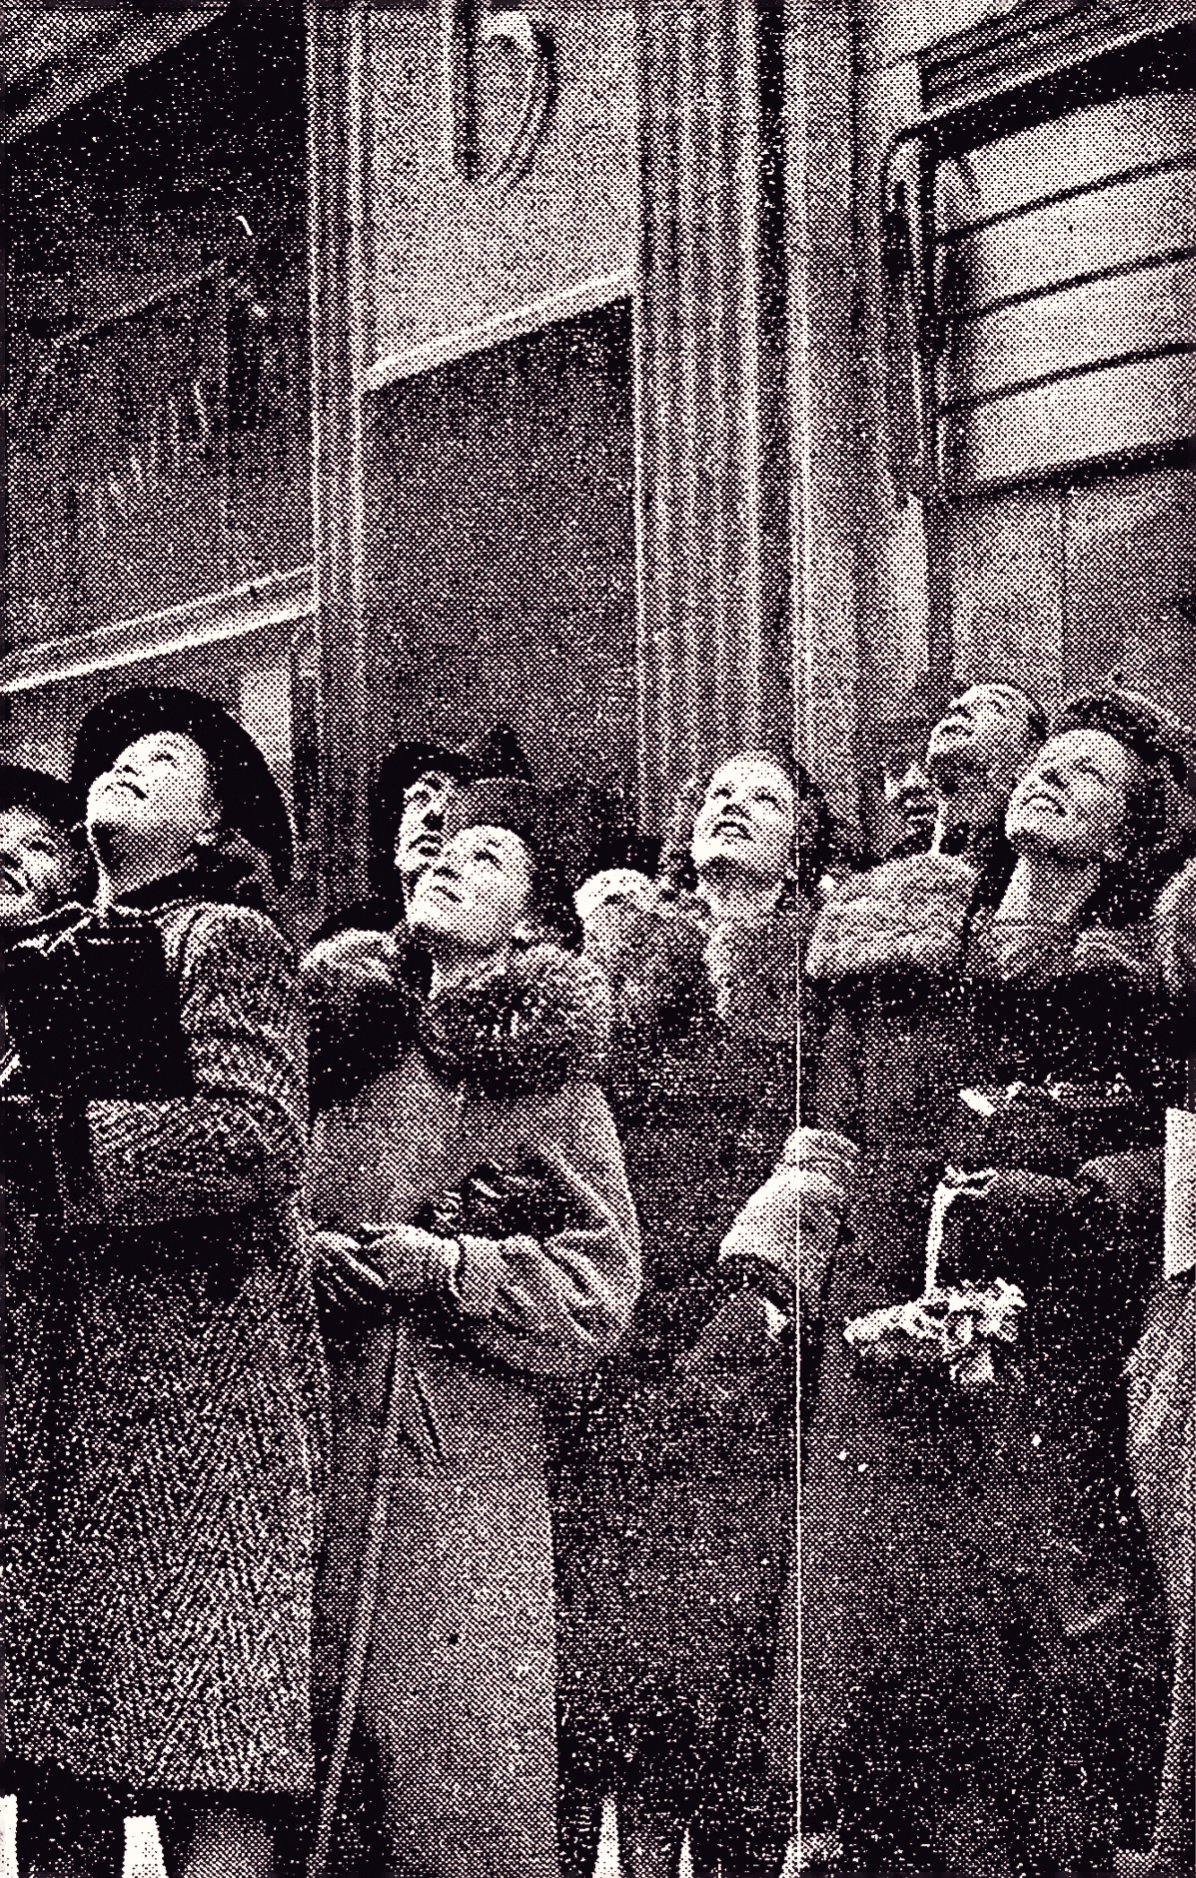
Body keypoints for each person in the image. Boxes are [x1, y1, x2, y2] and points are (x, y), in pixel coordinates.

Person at [800, 688, 1184, 1876]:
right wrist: (778, 1281)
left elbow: (1167, 1157)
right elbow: (824, 1138)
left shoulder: (1138, 988)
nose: (1045, 779)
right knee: (877, 1645)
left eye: (1085, 775)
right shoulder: (897, 965)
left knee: (1032, 1657)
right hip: (879, 1341)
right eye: (1043, 763)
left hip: (1049, 1354)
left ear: (1124, 837)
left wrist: (1073, 1199)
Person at [0, 685, 327, 1878]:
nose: (123, 769)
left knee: (212, 1759)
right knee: (61, 1774)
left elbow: (255, 1136)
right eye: (113, 757)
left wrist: (64, 1143)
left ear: (209, 829)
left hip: (202, 1410)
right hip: (70, 1412)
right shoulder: (43, 958)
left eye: (163, 759)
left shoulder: (219, 939)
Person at [302, 777, 641, 1878]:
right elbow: (256, 1207)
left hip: (462, 1494)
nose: (447, 861)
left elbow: (602, 1288)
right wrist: (305, 1258)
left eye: (487, 857)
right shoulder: (341, 1041)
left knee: (456, 1805)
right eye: (443, 846)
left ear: (533, 924)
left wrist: (451, 1268)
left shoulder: (547, 1080)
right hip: (312, 1464)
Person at [558, 751, 802, 1878]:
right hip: (618, 1334)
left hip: (747, 1338)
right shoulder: (613, 969)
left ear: (800, 845)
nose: (730, 806)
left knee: (725, 1675)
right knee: (615, 1674)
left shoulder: (817, 971)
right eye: (714, 793)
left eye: (762, 798)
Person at [310, 722, 533, 941]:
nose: (433, 814)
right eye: (421, 797)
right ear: (396, 839)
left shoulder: (518, 963)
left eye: (457, 804)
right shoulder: (346, 938)